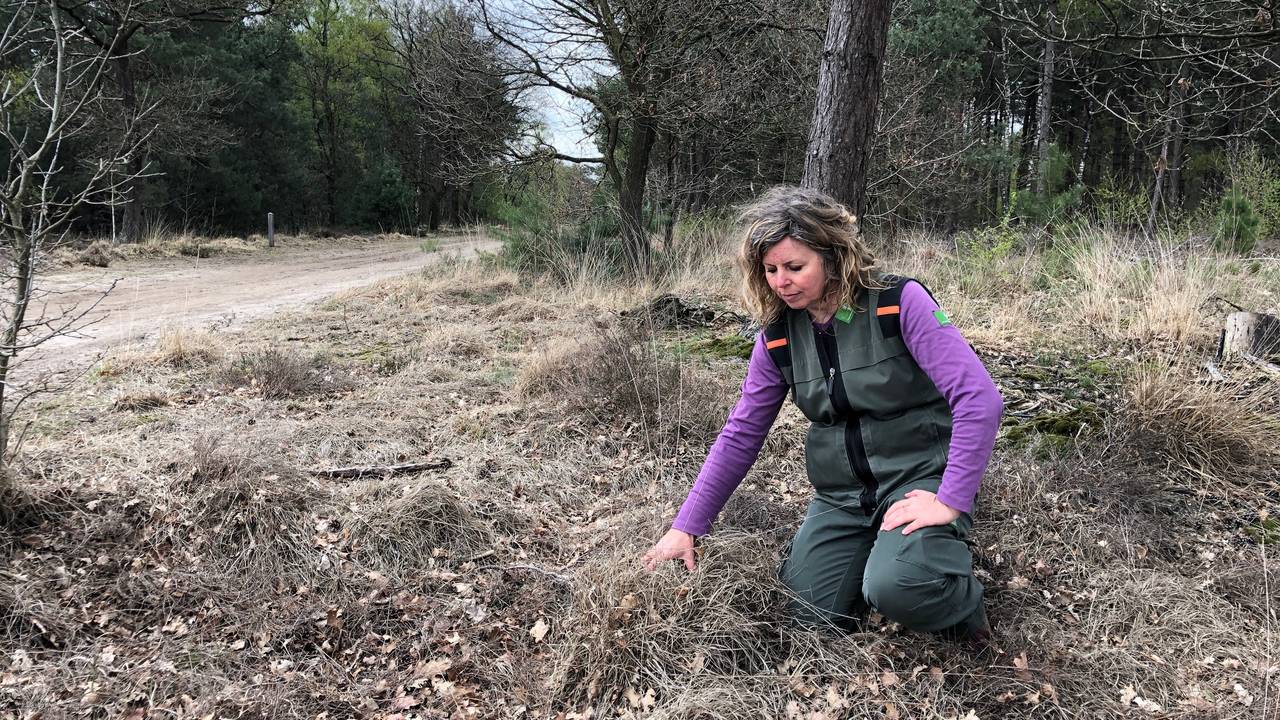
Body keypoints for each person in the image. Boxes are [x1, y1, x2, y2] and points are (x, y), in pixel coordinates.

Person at [640, 186, 1003, 641]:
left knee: (897, 588)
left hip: (918, 479)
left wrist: (949, 499)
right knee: (805, 618)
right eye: (769, 270)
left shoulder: (898, 302)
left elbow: (979, 398)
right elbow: (741, 434)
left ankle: (959, 602)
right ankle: (877, 559)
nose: (780, 281)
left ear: (833, 257)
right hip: (842, 496)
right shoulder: (777, 338)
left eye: (794, 267)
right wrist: (686, 526)